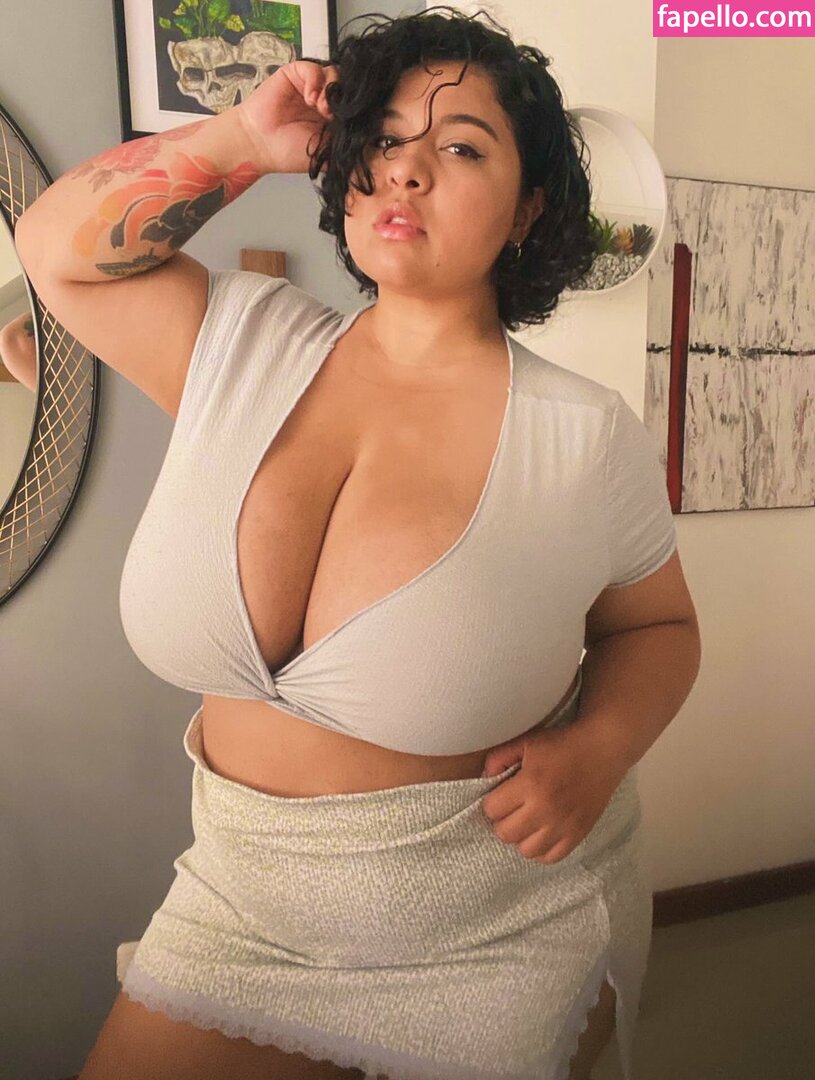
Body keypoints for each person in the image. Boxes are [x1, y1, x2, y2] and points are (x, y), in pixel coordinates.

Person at [15, 8, 701, 1080]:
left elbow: (657, 627)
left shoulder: (581, 436)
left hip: (494, 932)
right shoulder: (239, 342)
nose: (406, 169)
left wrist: (601, 746)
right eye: (382, 137)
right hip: (238, 910)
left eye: (460, 147)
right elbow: (53, 250)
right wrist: (243, 140)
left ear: (526, 207)